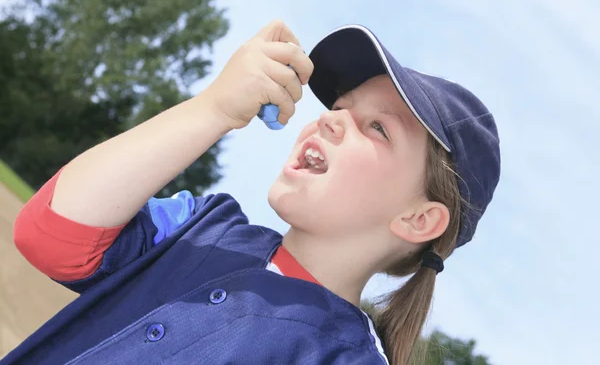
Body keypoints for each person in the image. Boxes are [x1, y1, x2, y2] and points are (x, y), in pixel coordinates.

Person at [5, 20, 500, 365]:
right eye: (340, 106)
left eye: (377, 127)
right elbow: (51, 235)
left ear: (418, 220)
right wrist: (213, 110)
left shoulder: (342, 357)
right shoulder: (203, 226)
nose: (330, 118)